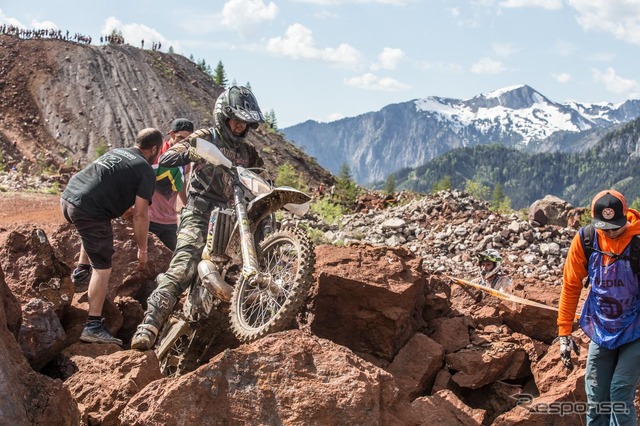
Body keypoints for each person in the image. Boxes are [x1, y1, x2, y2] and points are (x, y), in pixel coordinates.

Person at [131, 86, 265, 350]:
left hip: (233, 216)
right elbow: (168, 156)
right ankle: (149, 324)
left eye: (244, 123)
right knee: (184, 264)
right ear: (223, 117)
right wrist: (193, 151)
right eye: (235, 120)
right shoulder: (207, 136)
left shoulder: (249, 153)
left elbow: (263, 178)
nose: (239, 127)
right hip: (200, 211)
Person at [62, 128, 163, 345]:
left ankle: (81, 273)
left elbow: (106, 187)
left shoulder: (117, 152)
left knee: (92, 231)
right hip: (89, 209)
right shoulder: (145, 169)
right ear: (154, 149)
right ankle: (93, 326)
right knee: (104, 268)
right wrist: (142, 249)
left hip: (69, 198)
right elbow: (141, 213)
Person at [557, 189, 640, 425]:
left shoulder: (638, 243)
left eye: (616, 226)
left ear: (626, 217)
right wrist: (564, 332)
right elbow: (571, 285)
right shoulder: (586, 240)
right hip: (601, 326)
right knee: (595, 395)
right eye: (605, 227)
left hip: (636, 328)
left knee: (620, 392)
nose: (611, 232)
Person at [148, 118, 194, 251]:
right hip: (149, 218)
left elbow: (181, 182)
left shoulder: (185, 158)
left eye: (189, 140)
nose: (185, 143)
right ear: (172, 134)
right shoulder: (156, 151)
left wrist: (188, 206)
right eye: (181, 138)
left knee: (171, 259)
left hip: (170, 220)